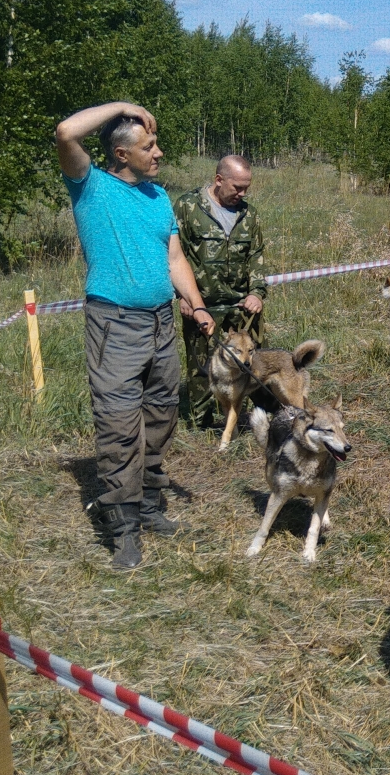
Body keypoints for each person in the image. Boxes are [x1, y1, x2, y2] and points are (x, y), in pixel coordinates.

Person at [56, 102, 215, 570]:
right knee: (120, 427)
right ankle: (122, 528)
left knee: (162, 414)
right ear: (121, 154)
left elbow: (174, 261)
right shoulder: (91, 187)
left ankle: (148, 504)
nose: (159, 153)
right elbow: (66, 131)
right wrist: (124, 107)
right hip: (115, 327)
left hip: (161, 324)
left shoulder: (158, 197)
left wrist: (197, 304)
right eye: (149, 146)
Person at [173, 155, 268, 427]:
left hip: (242, 306)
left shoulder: (248, 214)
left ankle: (241, 419)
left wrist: (257, 293)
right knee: (202, 368)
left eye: (246, 187)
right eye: (237, 187)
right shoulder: (188, 207)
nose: (242, 193)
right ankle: (201, 423)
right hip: (202, 304)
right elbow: (172, 254)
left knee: (247, 363)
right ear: (218, 180)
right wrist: (183, 296)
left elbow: (257, 255)